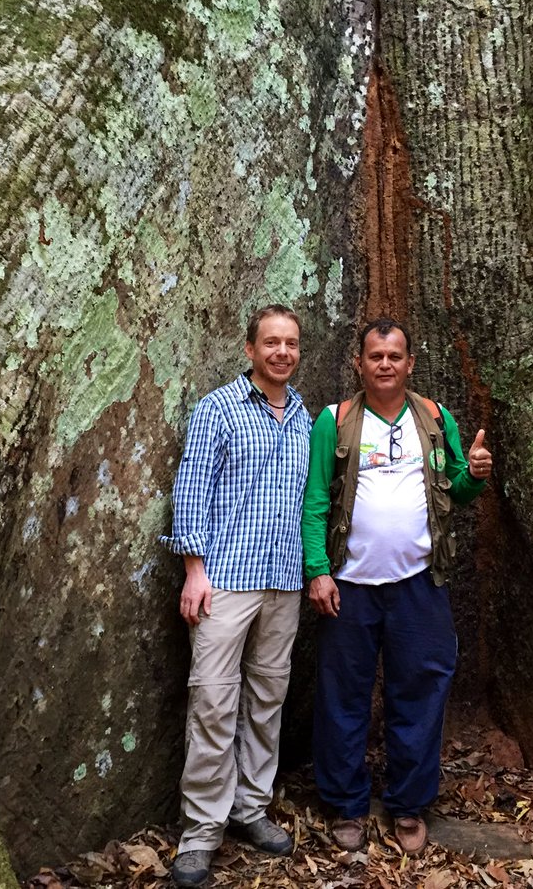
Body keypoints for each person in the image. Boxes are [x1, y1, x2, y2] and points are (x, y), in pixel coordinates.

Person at [301, 317, 492, 856]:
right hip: (350, 586)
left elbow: (456, 488)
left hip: (419, 584)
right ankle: (346, 804)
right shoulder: (333, 421)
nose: (385, 364)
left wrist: (474, 472)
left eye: (395, 356)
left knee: (421, 692)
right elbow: (316, 501)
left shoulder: (434, 418)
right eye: (375, 356)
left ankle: (408, 805)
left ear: (409, 364)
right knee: (344, 698)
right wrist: (317, 570)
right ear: (359, 363)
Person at [159, 305, 312, 887]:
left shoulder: (303, 415)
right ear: (249, 349)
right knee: (214, 701)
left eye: (291, 343)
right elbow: (191, 489)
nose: (281, 352)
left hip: (284, 581)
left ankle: (250, 807)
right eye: (270, 342)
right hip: (224, 578)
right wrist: (194, 570)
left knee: (268, 699)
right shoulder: (218, 409)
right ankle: (200, 832)